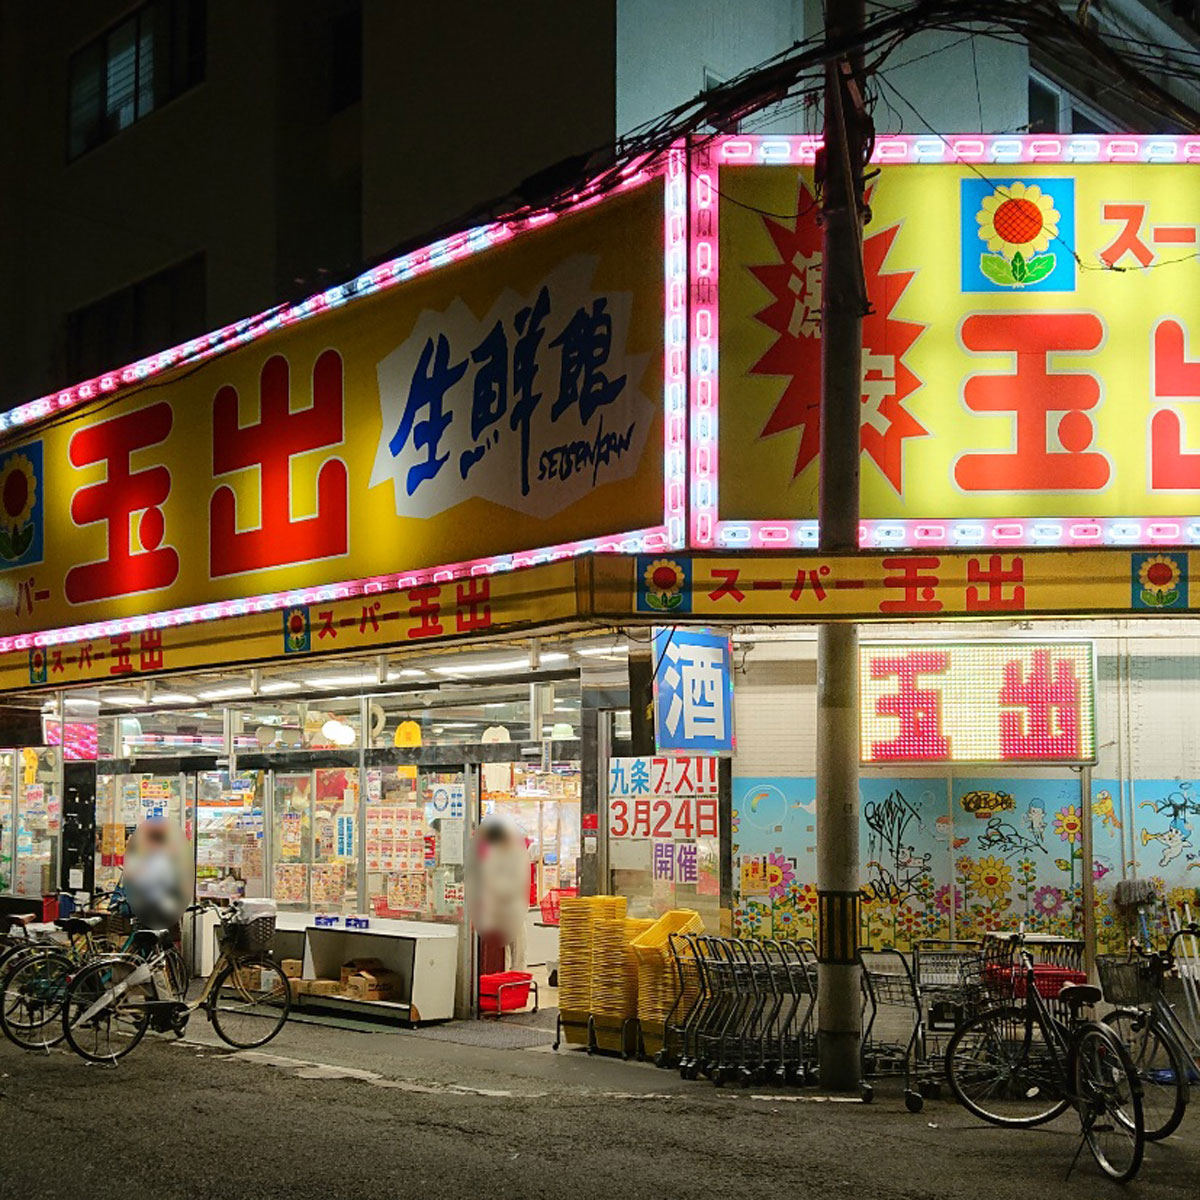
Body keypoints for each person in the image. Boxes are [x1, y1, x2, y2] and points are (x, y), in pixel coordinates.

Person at [121, 818, 189, 929]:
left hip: (153, 907)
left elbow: (147, 881)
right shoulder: (160, 858)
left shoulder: (159, 859)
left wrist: (133, 877)